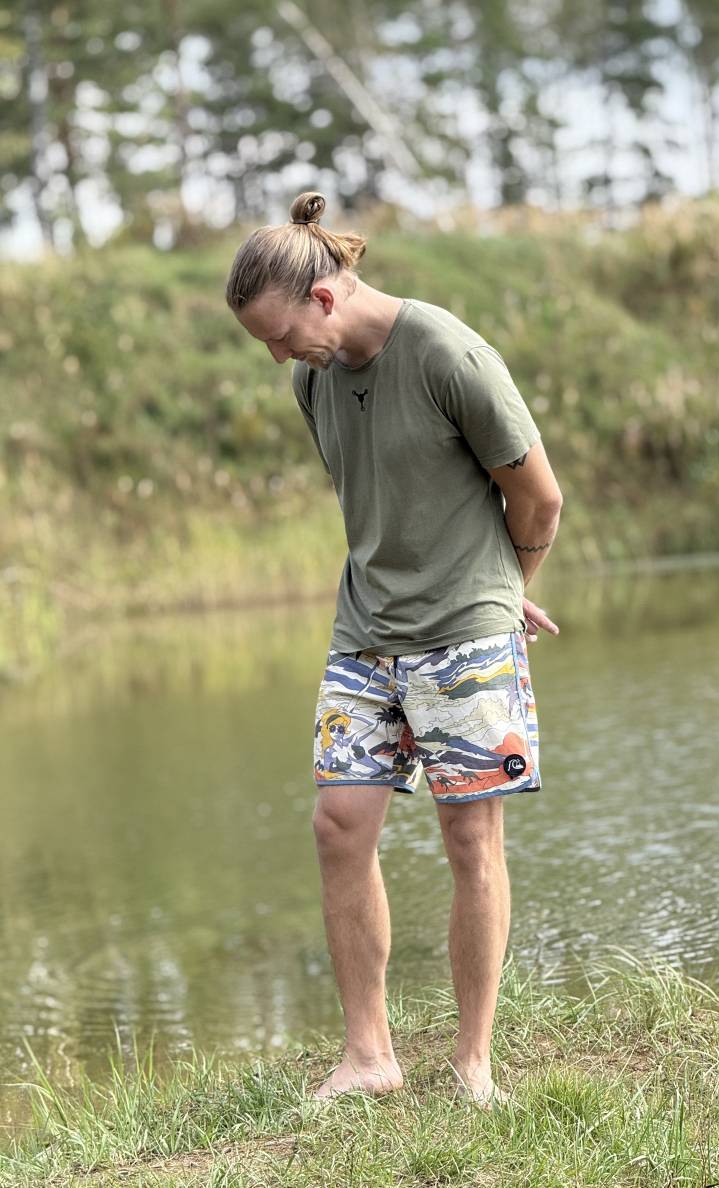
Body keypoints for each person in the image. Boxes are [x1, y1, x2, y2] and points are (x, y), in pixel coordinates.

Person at [225, 191, 563, 1108]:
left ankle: (472, 1065)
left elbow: (538, 497)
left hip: (463, 633)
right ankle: (369, 1057)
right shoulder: (314, 381)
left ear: (324, 297)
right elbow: (380, 502)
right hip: (364, 632)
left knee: (469, 837)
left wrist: (503, 593)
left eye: (281, 335)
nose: (278, 356)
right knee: (337, 826)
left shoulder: (448, 354)